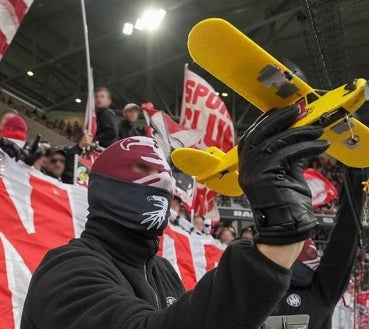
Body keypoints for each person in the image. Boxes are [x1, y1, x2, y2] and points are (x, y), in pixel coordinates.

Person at [21, 105, 329, 329]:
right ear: (105, 190)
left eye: (165, 183)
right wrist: (276, 243)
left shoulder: (162, 271)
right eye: (144, 178)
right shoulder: (65, 271)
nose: (161, 190)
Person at [271, 167, 366, 329]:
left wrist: (356, 172)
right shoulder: (256, 291)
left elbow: (345, 234)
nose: (316, 257)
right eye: (311, 252)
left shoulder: (320, 291)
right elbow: (346, 233)